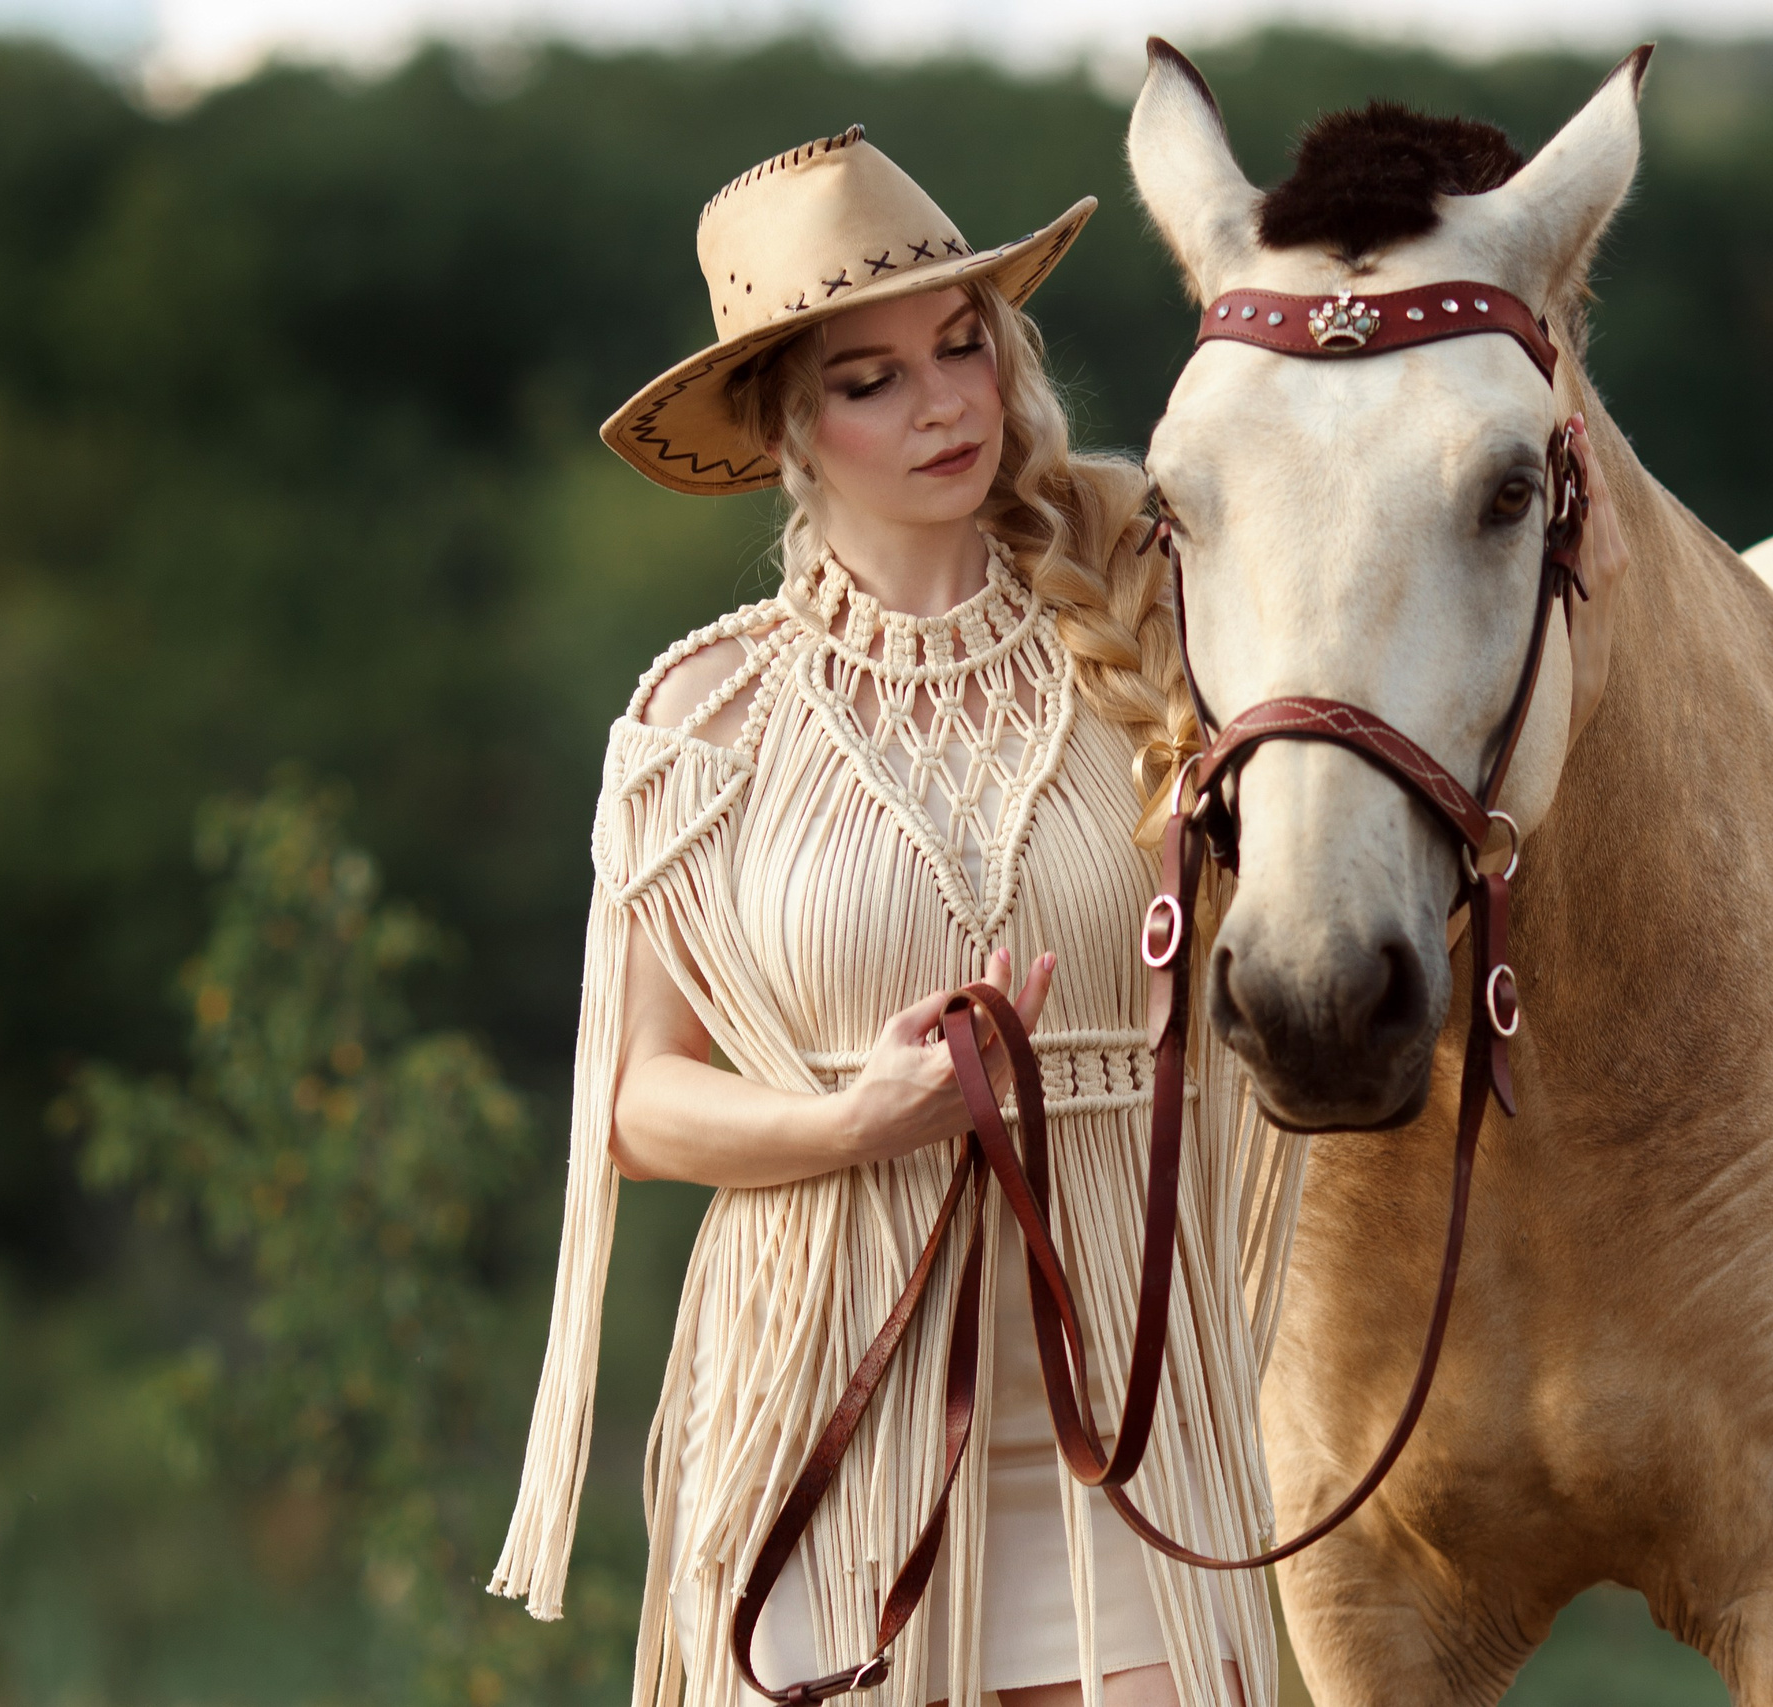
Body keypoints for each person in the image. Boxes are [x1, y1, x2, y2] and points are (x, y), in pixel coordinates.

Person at [484, 127, 1303, 1707]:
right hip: (826, 1403)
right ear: (789, 428)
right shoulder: (704, 717)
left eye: (962, 347)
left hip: (1126, 1408)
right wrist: (856, 1115)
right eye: (871, 380)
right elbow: (635, 1104)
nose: (943, 404)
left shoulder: (1157, 632)